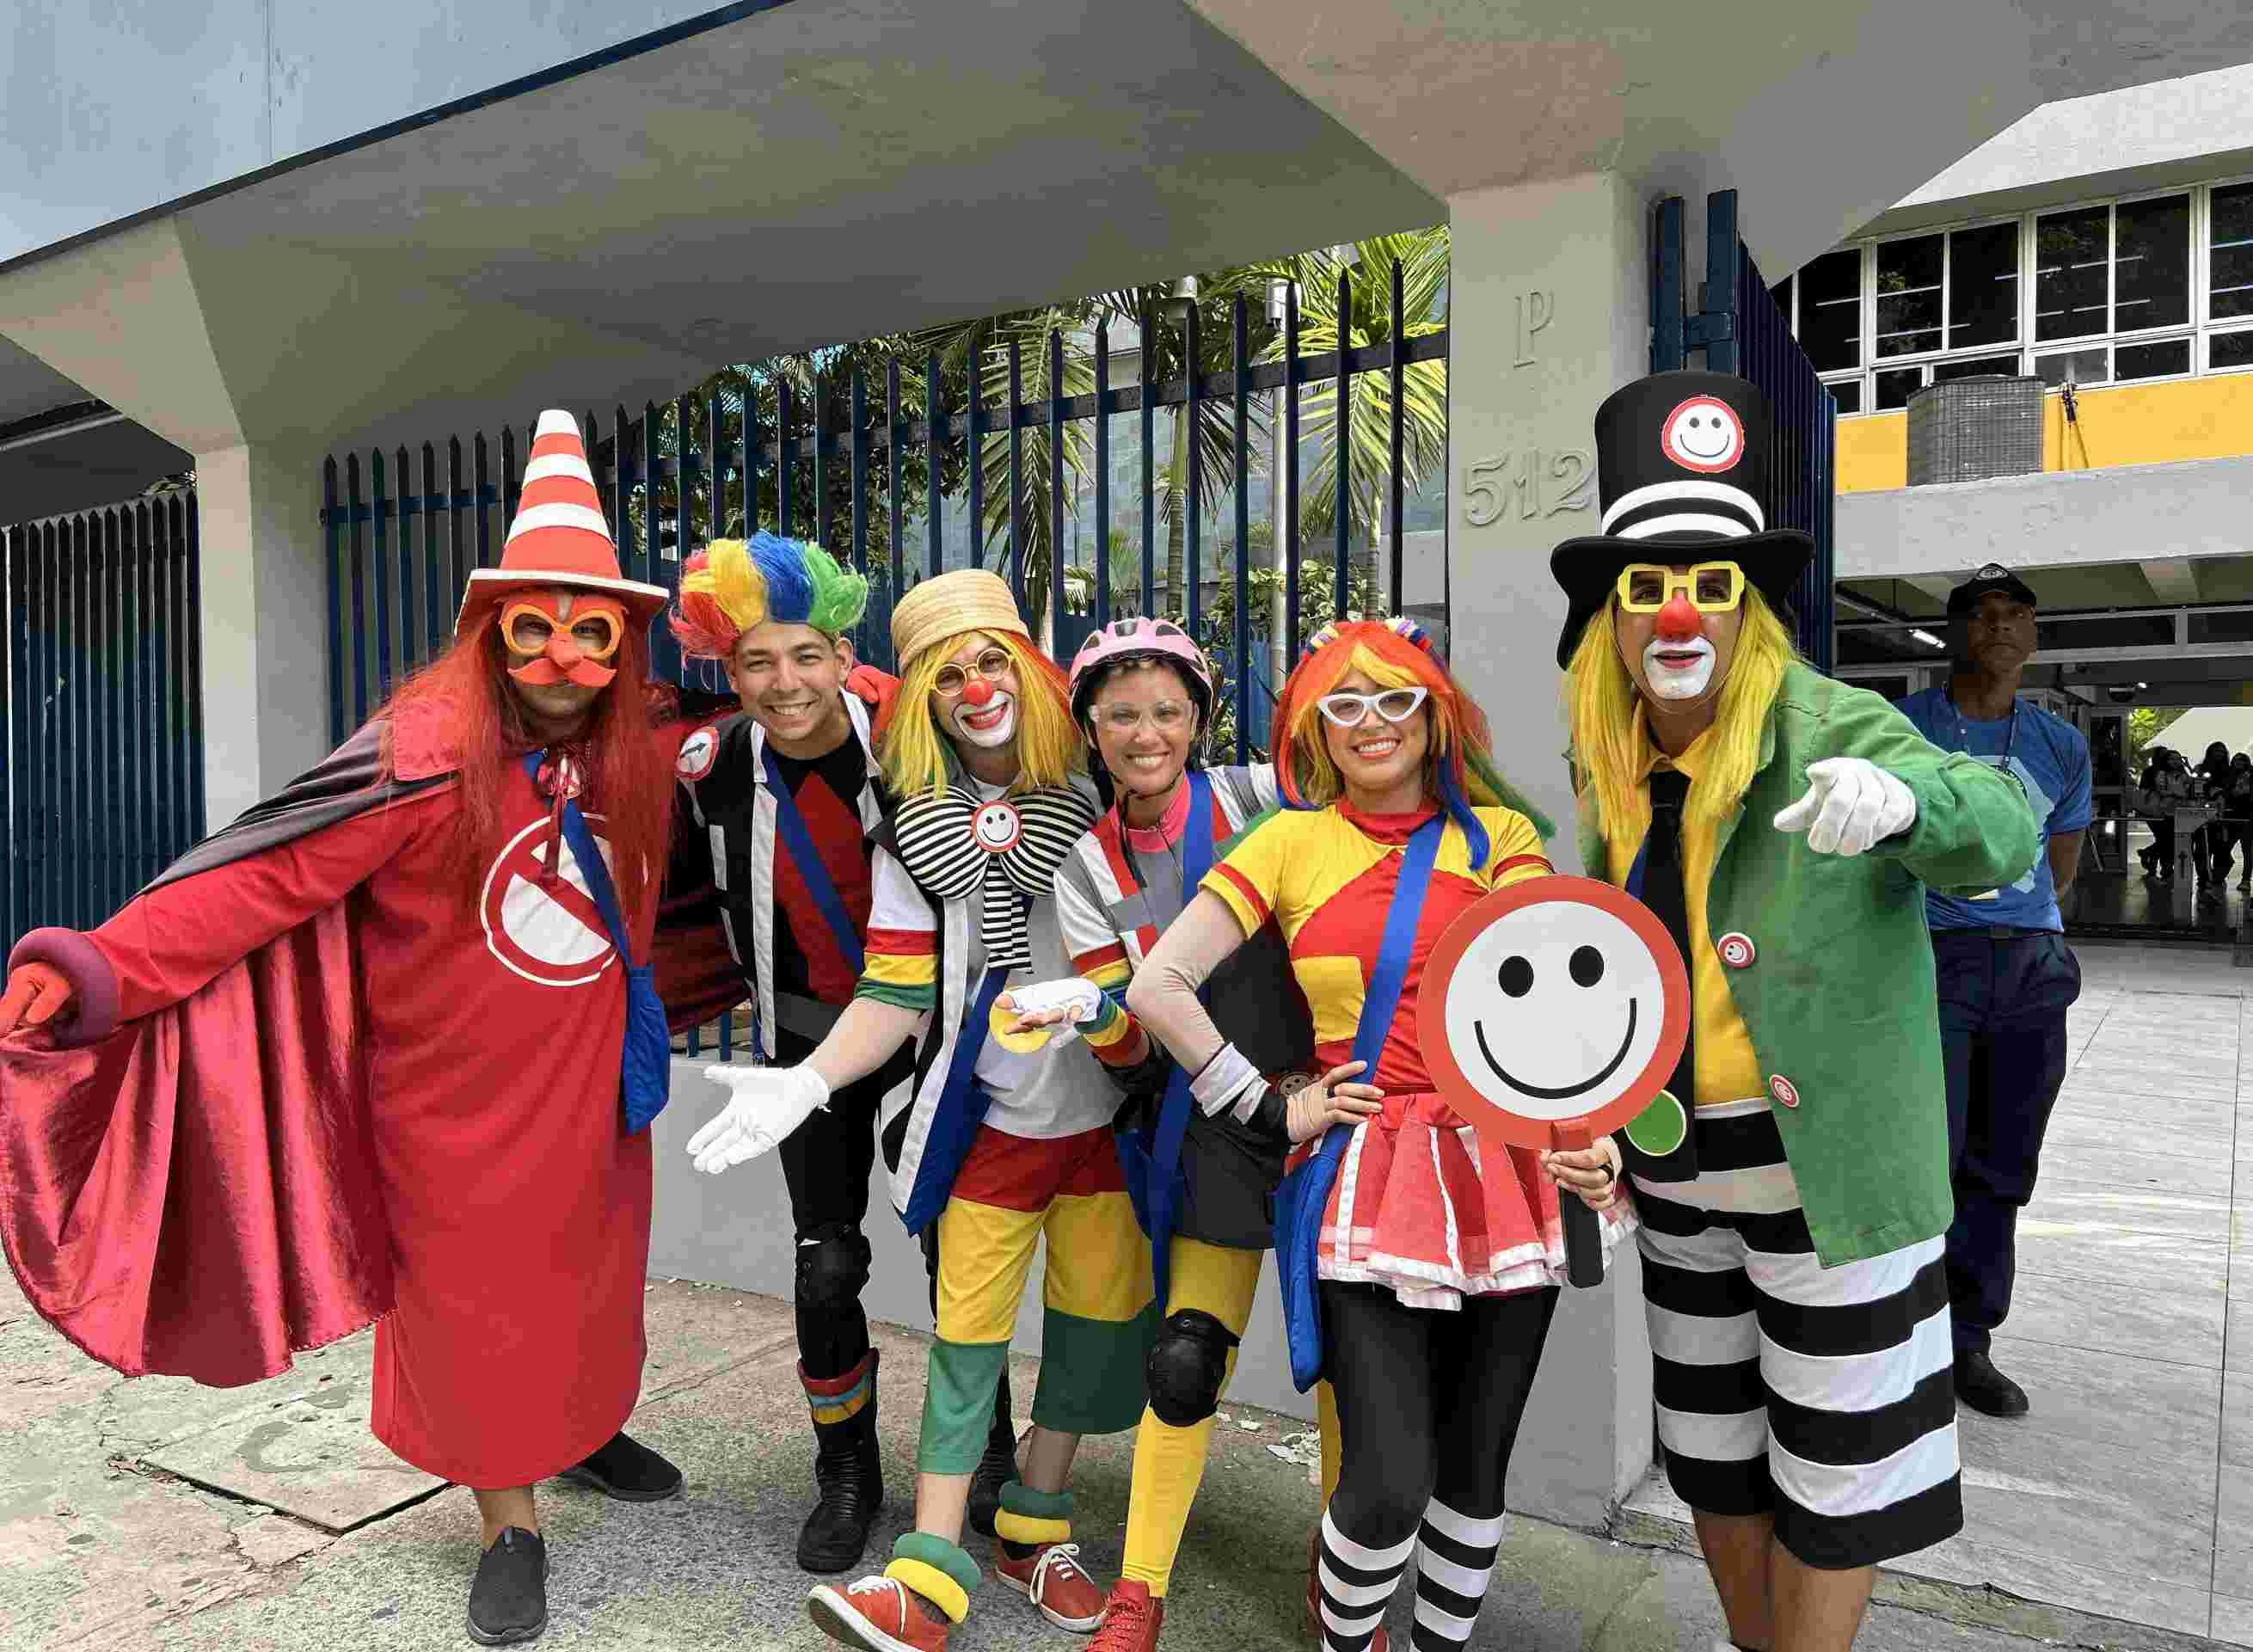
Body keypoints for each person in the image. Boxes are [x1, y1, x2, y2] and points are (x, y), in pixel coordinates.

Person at [0, 412, 692, 1646]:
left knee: (591, 1282)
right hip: (451, 1113)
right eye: (533, 629)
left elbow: (774, 741)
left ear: (622, 644)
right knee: (475, 1311)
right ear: (492, 634)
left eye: (592, 632)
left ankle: (581, 1429)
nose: (561, 659)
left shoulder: (641, 749)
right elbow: (257, 882)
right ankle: (508, 1520)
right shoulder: (418, 757)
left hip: (594, 1095)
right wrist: (96, 967)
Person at [1552, 372, 2040, 1652]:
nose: (1676, 611)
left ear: (1747, 607)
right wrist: (1592, 1113)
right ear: (1612, 616)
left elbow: (2001, 828)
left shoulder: (1839, 725)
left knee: (1838, 1471)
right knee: (1714, 1455)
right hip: (1674, 1178)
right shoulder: (1607, 761)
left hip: (1826, 1175)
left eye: (1709, 582)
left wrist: (1912, 807)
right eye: (1646, 585)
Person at [682, 568, 1152, 1652]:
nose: (976, 688)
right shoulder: (911, 828)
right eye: (948, 674)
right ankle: (927, 1570)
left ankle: (1032, 1524)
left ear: (1028, 670)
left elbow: (1159, 936)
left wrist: (1122, 1011)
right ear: (922, 697)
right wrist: (808, 1080)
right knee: (965, 1341)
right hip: (984, 1120)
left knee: (1093, 1337)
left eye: (992, 661)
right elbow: (894, 988)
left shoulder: (1107, 788)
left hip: (1106, 1116)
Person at [1131, 616, 1597, 1652]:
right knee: (1384, 1482)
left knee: (1474, 1473)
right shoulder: (1288, 840)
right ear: (1314, 727)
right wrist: (1265, 1105)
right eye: (1344, 703)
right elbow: (1156, 985)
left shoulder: (1500, 840)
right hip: (1368, 1172)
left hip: (1504, 1166)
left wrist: (1591, 1134)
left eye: (1395, 698)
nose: (1371, 721)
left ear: (1434, 717)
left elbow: (1556, 1002)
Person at [662, 532, 1022, 1572]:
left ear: (842, 653)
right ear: (729, 675)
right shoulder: (707, 770)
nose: (785, 682)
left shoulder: (917, 744)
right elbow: (662, 902)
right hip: (800, 1053)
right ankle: (846, 1469)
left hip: (928, 1041)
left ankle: (986, 1454)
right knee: (825, 1265)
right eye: (757, 662)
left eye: (804, 655)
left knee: (961, 1255)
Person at [1004, 616, 1338, 1650]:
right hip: (1211, 1119)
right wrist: (1093, 1017)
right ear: (1090, 731)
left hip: (1334, 1104)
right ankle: (1139, 1590)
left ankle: (1347, 1585)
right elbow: (1137, 1052)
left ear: (1198, 717)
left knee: (1350, 1364)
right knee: (1186, 1360)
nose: (1145, 734)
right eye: (1120, 716)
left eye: (1165, 712)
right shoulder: (1082, 868)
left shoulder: (1263, 796)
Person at [1895, 565, 2092, 1420]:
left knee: (2001, 1164)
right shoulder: (1905, 728)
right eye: (1983, 614)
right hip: (1929, 959)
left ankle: (1968, 1339)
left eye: (2018, 614)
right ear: (1954, 632)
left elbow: (2061, 867)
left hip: (2028, 967)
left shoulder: (2060, 745)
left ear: (2034, 635)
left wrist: (2016, 925)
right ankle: (1905, 1333)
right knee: (1923, 1159)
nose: (2002, 627)